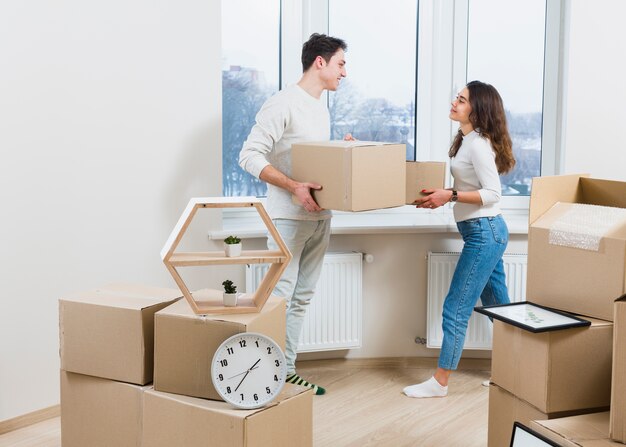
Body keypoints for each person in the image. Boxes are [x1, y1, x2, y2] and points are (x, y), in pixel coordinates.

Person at [239, 33, 351, 395]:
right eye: (340, 63)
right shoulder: (282, 103)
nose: (344, 73)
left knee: (301, 298)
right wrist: (293, 186)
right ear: (320, 62)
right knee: (279, 298)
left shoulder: (321, 108)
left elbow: (312, 161)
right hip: (287, 218)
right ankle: (263, 373)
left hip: (320, 218)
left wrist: (343, 153)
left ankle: (285, 370)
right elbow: (249, 156)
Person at [403, 80, 516, 398]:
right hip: (486, 232)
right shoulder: (466, 141)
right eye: (457, 97)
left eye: (463, 100)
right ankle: (514, 375)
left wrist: (449, 194)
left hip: (485, 234)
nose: (455, 102)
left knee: (455, 307)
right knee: (500, 309)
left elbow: (493, 194)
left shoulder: (478, 144)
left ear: (477, 110)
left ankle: (439, 382)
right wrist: (437, 197)